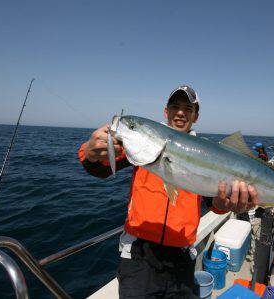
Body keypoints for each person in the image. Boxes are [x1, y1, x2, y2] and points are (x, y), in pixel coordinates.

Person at [78, 85, 260, 298]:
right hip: (139, 256)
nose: (180, 112)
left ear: (195, 116)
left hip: (182, 258)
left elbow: (215, 204)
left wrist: (227, 204)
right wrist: (91, 153)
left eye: (187, 108)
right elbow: (100, 167)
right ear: (166, 112)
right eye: (175, 107)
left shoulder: (207, 151)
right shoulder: (142, 144)